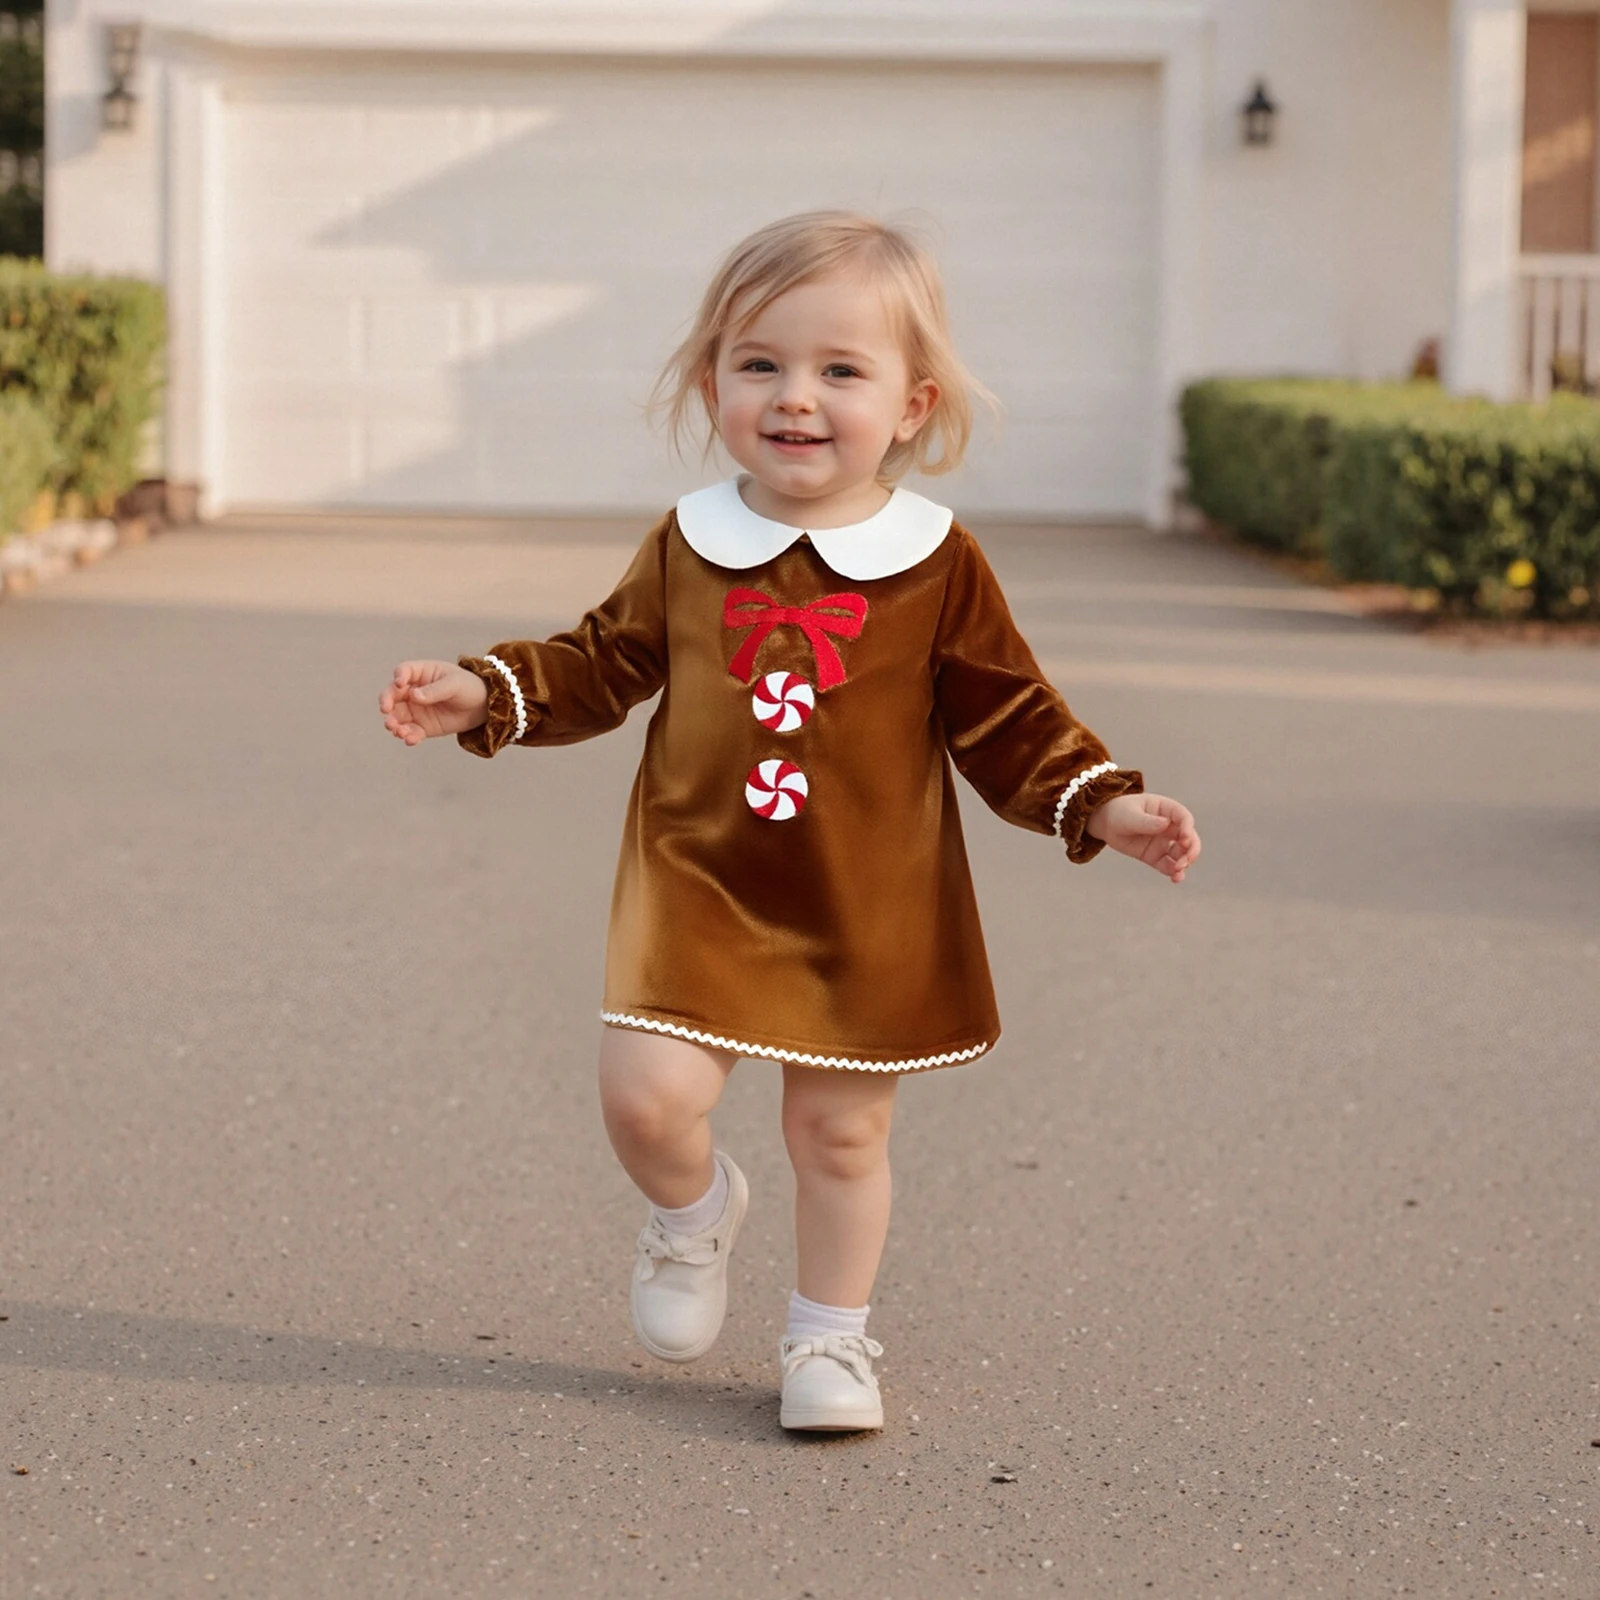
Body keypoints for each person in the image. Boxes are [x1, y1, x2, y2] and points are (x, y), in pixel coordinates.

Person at [378, 211, 1201, 1433]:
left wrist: (1104, 800)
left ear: (912, 405)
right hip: (698, 879)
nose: (795, 396)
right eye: (758, 362)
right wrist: (484, 690)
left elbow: (1007, 714)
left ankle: (829, 1339)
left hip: (864, 901)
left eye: (840, 370)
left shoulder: (935, 562)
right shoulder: (690, 542)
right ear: (711, 379)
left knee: (840, 1132)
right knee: (644, 1098)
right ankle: (693, 1212)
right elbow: (601, 662)